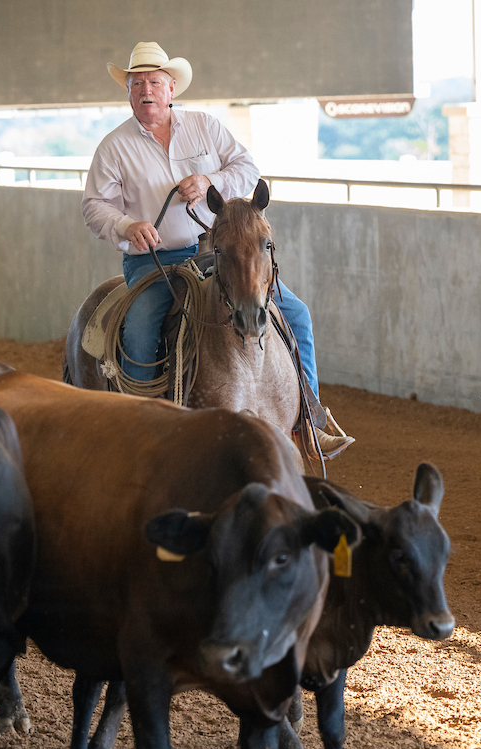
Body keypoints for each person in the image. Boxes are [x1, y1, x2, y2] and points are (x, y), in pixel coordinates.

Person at [81, 41, 354, 458]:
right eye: (137, 84)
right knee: (140, 326)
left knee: (296, 313)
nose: (146, 91)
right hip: (153, 262)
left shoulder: (204, 126)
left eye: (154, 82)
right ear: (129, 92)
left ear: (171, 88)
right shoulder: (114, 147)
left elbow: (246, 168)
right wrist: (126, 225)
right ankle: (141, 432)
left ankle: (309, 423)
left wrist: (210, 181)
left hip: (213, 252)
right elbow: (93, 206)